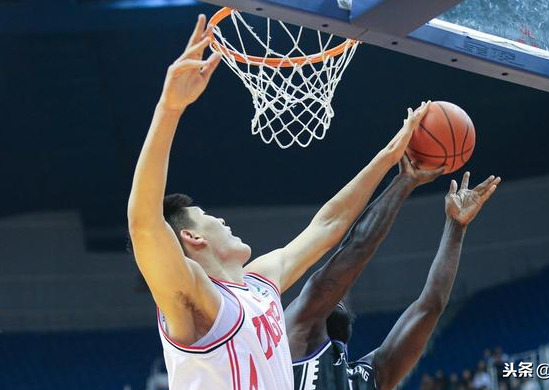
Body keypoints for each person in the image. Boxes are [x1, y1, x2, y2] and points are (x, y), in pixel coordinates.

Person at [127, 14, 431, 390]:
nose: (221, 221)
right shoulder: (196, 300)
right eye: (208, 217)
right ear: (192, 237)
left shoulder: (260, 284)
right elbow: (144, 225)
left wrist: (388, 156)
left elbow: (328, 225)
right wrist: (169, 109)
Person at [287, 158, 501, 390]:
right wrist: (404, 180)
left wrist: (456, 227)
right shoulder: (294, 343)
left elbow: (430, 306)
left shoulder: (368, 377)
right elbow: (356, 248)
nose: (339, 297)